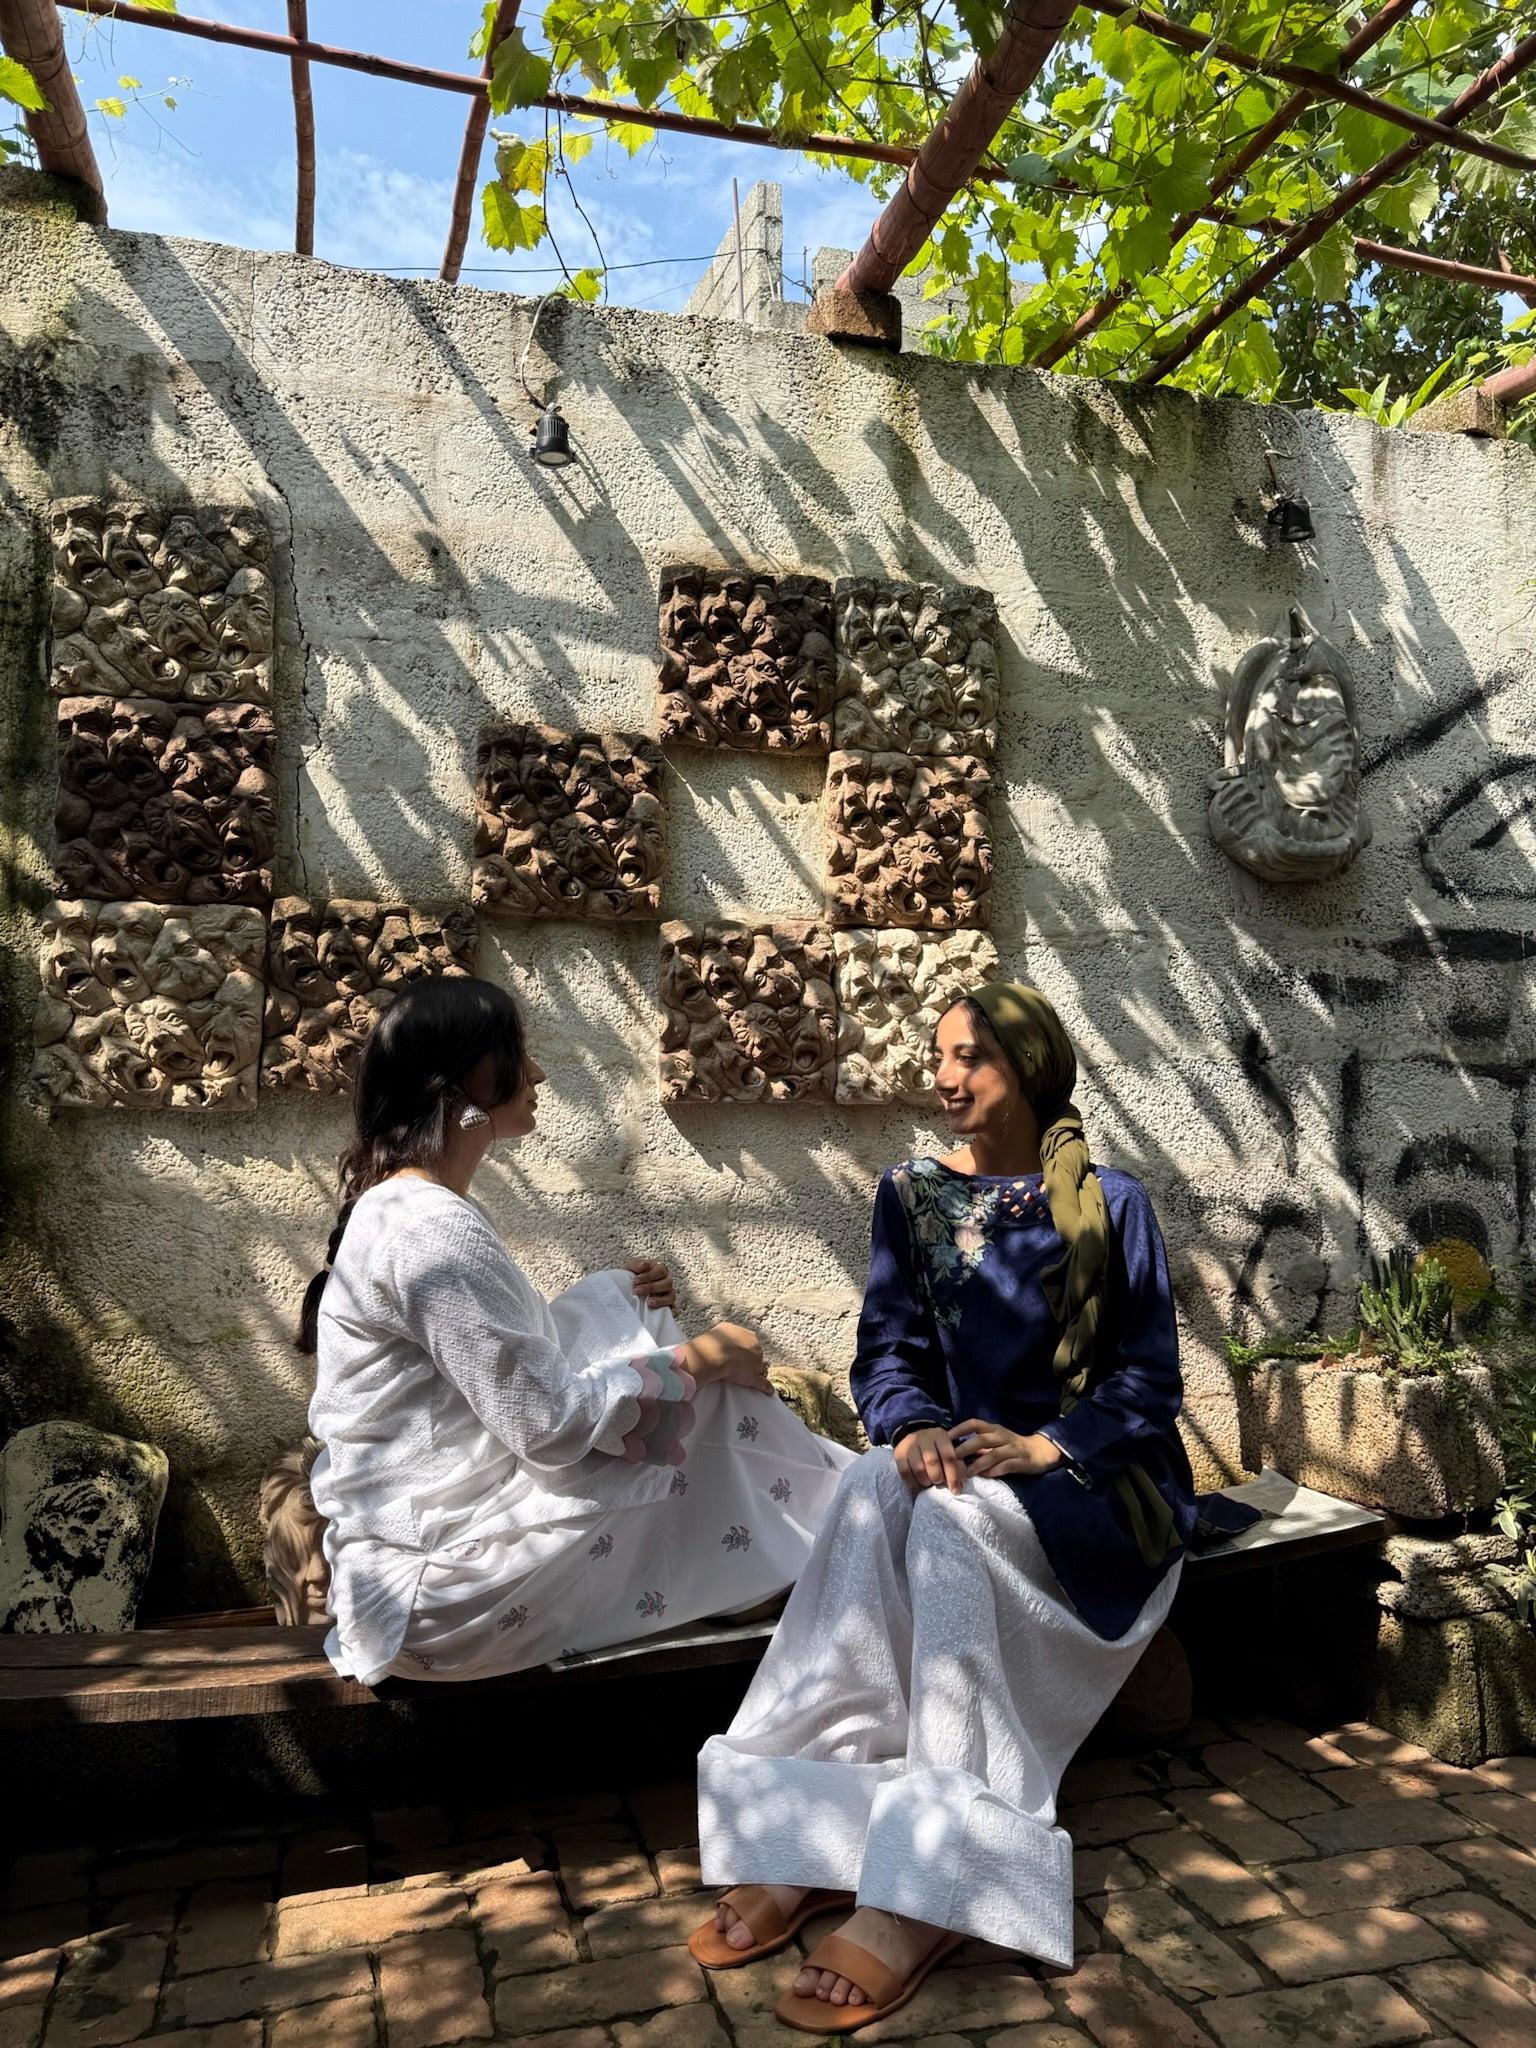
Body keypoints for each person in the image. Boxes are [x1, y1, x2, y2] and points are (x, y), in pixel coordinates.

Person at [692, 982, 1197, 2034]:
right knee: (868, 1486)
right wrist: (912, 1427)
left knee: (955, 1521)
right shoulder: (911, 1195)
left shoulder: (1113, 1203)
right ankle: (812, 1828)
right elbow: (887, 1351)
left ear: (1030, 1066)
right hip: (966, 1468)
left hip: (1097, 1491)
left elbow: (1149, 1383)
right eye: (939, 1055)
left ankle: (934, 1882)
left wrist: (1046, 1446)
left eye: (971, 1056)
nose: (944, 1077)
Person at [301, 976, 856, 1686]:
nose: (536, 1074)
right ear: (465, 1078)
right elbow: (548, 1424)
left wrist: (627, 1301)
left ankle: (791, 1545)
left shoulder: (411, 1211)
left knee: (644, 1333)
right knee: (694, 1391)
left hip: (419, 1584)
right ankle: (833, 1532)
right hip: (437, 1596)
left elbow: (515, 1369)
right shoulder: (428, 1230)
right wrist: (706, 1356)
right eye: (517, 1052)